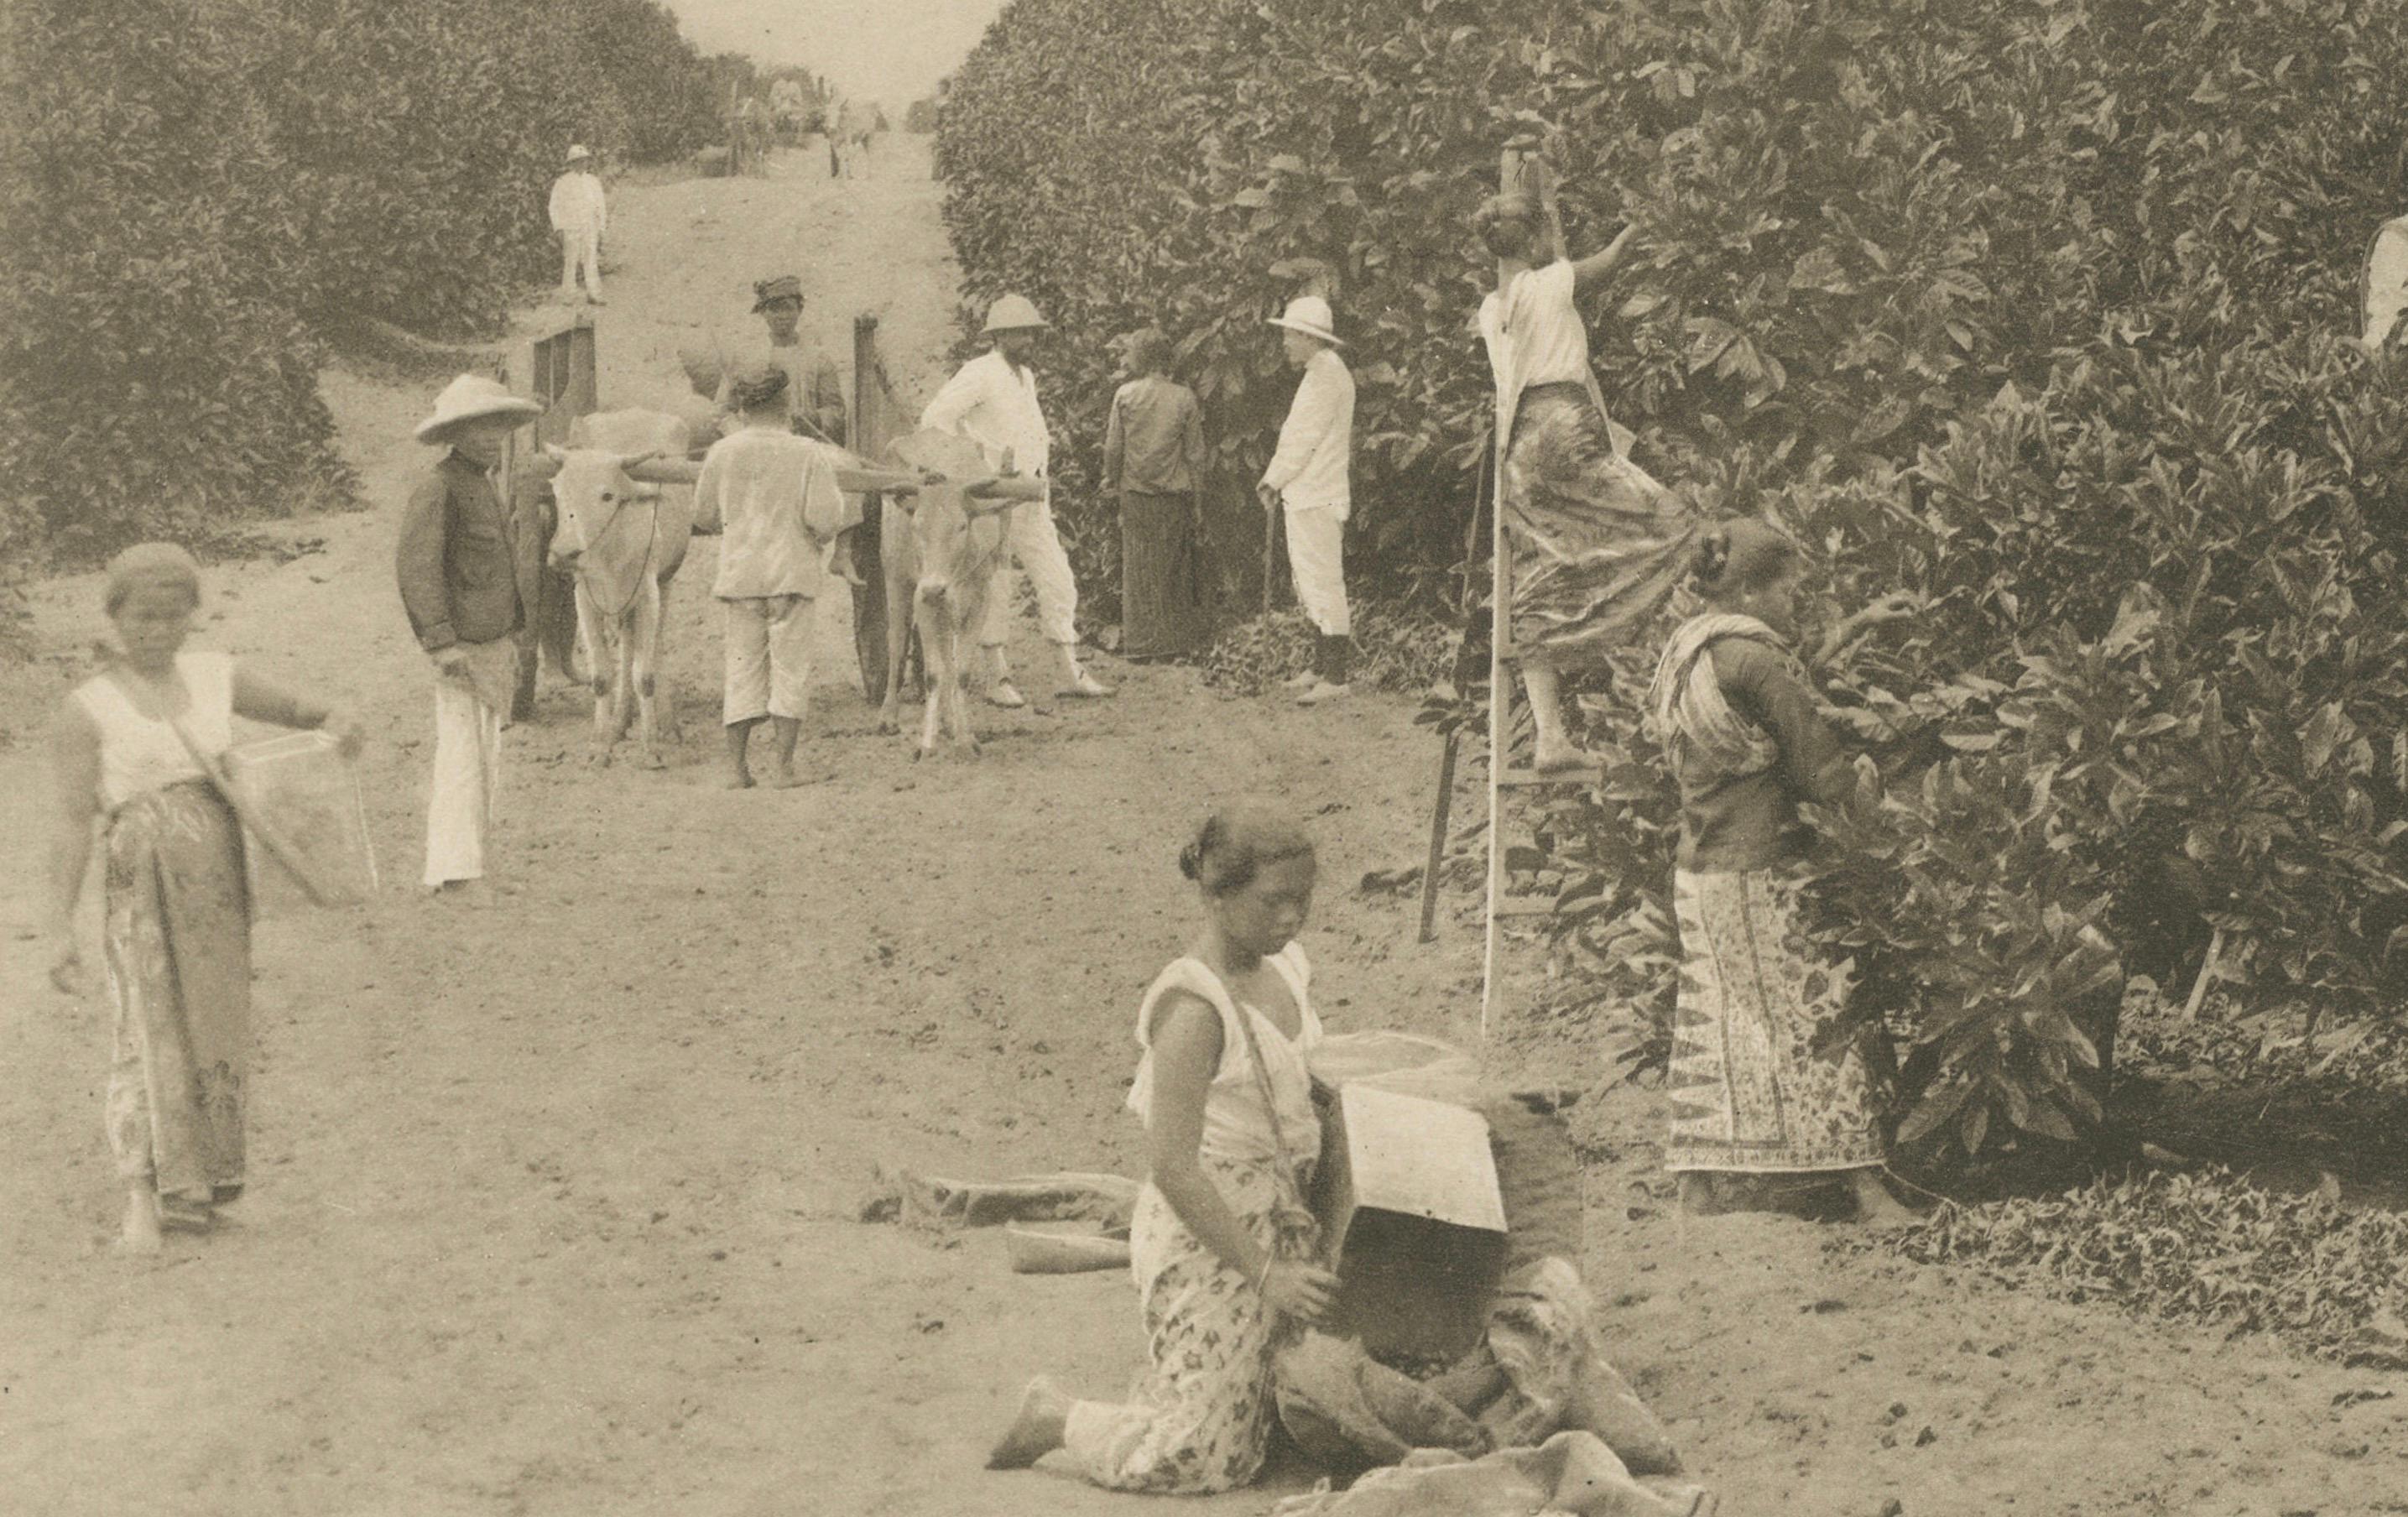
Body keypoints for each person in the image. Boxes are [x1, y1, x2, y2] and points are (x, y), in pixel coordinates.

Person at [988, 805, 1337, 1491]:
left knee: (1311, 1415)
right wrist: (1268, 1275)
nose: (1292, 917)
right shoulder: (1195, 1007)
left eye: (1303, 899)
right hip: (1213, 1235)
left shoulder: (1287, 967)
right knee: (1206, 1458)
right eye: (1273, 901)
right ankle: (1059, 1417)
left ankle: (1198, 1380)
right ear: (1215, 893)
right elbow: (1173, 1168)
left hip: (1289, 1213)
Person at [44, 544, 363, 1253]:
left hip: (219, 885)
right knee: (143, 1030)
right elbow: (71, 823)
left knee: (214, 1026)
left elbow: (304, 709)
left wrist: (338, 721)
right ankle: (139, 1196)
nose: (154, 630)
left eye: (170, 615)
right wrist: (60, 926)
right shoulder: (86, 708)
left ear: (192, 617)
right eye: (139, 615)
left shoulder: (217, 676)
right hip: (140, 888)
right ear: (114, 616)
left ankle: (198, 1187)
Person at [1644, 520, 1918, 1225]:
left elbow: (1777, 684)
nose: (1798, 603)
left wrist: (1856, 624)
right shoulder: (1758, 662)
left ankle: (1698, 1186)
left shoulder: (1692, 651)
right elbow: (1817, 767)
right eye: (1790, 590)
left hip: (1700, 874)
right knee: (1818, 1013)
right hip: (1763, 871)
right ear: (1750, 590)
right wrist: (1877, 793)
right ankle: (1865, 1188)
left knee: (1715, 1016)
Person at [1477, 190, 1702, 773]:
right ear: (1532, 242)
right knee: (1677, 526)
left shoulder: (1492, 306)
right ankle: (1626, 630)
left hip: (1520, 450)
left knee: (1542, 573)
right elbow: (1603, 265)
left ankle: (1550, 736)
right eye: (1549, 229)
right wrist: (1633, 232)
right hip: (1563, 428)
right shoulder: (1550, 281)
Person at [921, 294, 1114, 705]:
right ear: (999, 335)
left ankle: (1070, 670)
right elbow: (935, 418)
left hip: (1031, 496)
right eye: (1019, 332)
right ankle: (998, 677)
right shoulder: (979, 372)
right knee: (997, 584)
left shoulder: (1025, 376)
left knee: (1057, 576)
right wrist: (976, 457)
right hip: (993, 497)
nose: (1027, 339)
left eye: (1030, 332)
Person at [397, 373, 545, 904]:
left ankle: (476, 864)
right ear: (454, 433)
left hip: (490, 637)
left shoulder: (481, 483)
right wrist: (440, 642)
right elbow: (418, 569)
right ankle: (456, 873)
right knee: (461, 755)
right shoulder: (439, 488)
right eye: (476, 428)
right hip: (462, 643)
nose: (489, 437)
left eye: (496, 427)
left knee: (486, 755)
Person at [694, 360, 863, 790]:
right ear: (786, 402)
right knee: (790, 669)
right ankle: (785, 768)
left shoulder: (722, 452)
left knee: (741, 668)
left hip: (740, 577)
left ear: (743, 408)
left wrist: (737, 527)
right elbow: (825, 518)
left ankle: (737, 769)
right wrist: (818, 536)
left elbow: (705, 516)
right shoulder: (807, 453)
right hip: (791, 574)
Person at [1257, 295, 1356, 706]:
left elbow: (1301, 441)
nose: (1284, 344)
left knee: (1323, 581)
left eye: (1290, 336)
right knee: (1310, 582)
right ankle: (1319, 667)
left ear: (1308, 337)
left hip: (1317, 492)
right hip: (1308, 492)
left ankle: (1336, 675)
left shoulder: (1326, 377)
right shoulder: (1320, 373)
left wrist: (1272, 480)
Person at [1102, 326, 1207, 660]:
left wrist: (1111, 480)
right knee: (1172, 569)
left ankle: (1139, 644)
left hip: (1134, 495)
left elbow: (1113, 448)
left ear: (1140, 359)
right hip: (1174, 497)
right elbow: (1195, 455)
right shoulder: (1184, 397)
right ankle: (1172, 646)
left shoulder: (1125, 395)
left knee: (1138, 569)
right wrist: (1199, 502)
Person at [716, 275, 848, 449]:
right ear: (763, 312)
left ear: (799, 311)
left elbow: (836, 410)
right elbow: (723, 409)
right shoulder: (745, 357)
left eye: (788, 309)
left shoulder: (818, 358)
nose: (782, 316)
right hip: (754, 446)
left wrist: (814, 419)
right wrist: (742, 436)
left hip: (805, 445)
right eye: (775, 309)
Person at [548, 144, 606, 305]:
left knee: (590, 259)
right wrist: (558, 227)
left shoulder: (593, 182)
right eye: (577, 161)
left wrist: (601, 227)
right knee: (571, 260)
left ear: (588, 162)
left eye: (584, 161)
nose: (581, 164)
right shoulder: (562, 182)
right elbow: (554, 206)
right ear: (571, 163)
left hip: (589, 226)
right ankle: (569, 295)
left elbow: (600, 205)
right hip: (570, 227)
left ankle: (594, 293)